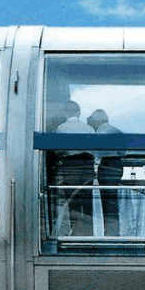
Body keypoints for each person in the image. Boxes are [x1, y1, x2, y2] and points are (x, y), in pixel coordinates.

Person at [48, 99, 95, 238]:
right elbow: (94, 150)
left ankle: (75, 233)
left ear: (64, 113)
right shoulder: (89, 128)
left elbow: (57, 150)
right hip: (87, 167)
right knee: (87, 202)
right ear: (79, 112)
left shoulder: (61, 128)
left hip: (70, 167)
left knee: (72, 202)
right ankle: (88, 233)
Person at [87, 108, 123, 236]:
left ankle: (109, 231)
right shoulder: (117, 131)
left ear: (97, 121)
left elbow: (95, 154)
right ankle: (114, 231)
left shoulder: (99, 133)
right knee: (113, 199)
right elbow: (124, 152)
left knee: (106, 200)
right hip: (117, 165)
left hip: (105, 166)